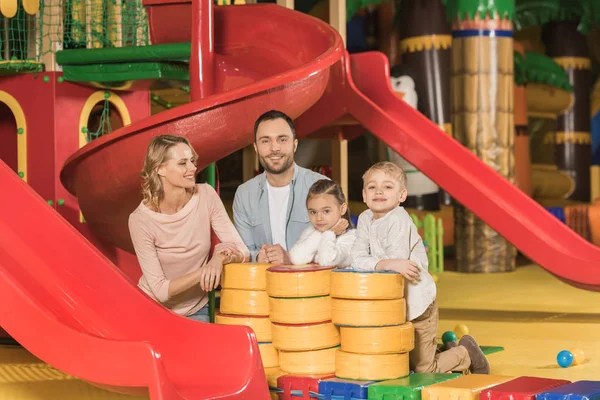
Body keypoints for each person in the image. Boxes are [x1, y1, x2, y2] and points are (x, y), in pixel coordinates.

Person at [351, 161, 490, 374]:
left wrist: (386, 264)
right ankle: (445, 349)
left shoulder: (398, 219)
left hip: (417, 306)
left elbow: (393, 273)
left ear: (402, 195)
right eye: (372, 187)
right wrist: (386, 263)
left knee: (424, 370)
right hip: (392, 305)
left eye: (387, 187)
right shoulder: (365, 218)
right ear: (363, 194)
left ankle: (464, 353)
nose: (378, 191)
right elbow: (356, 258)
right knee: (403, 361)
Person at [129, 135, 249, 322]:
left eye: (192, 161)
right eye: (182, 163)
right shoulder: (140, 220)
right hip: (150, 309)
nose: (192, 168)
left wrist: (219, 259)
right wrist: (204, 272)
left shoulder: (206, 196)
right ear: (160, 169)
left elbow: (242, 250)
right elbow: (160, 291)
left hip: (196, 309)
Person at [233, 110, 327, 263]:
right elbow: (244, 250)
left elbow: (336, 246)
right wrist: (257, 256)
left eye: (282, 140)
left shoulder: (322, 187)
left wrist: (290, 259)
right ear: (256, 148)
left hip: (310, 282)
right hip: (263, 281)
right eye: (265, 141)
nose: (274, 148)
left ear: (294, 145)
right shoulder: (244, 194)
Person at [288, 179, 356, 267]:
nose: (319, 218)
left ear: (342, 209)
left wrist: (330, 233)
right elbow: (295, 258)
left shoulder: (352, 238)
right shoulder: (312, 231)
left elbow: (327, 261)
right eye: (313, 212)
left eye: (326, 211)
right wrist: (329, 232)